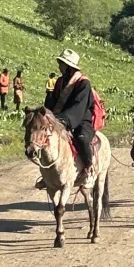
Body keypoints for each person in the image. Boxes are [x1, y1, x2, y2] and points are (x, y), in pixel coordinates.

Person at [44, 49, 95, 186]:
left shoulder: (84, 84)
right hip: (61, 118)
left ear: (69, 67)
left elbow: (79, 106)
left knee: (81, 139)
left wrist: (64, 120)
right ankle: (48, 175)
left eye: (61, 64)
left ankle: (88, 170)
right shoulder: (60, 82)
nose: (59, 66)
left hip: (80, 120)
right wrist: (49, 96)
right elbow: (53, 103)